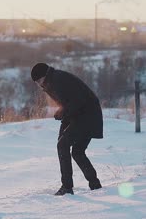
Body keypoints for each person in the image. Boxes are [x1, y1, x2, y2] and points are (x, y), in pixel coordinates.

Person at [31, 63, 103, 196]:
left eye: (40, 81)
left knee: (63, 145)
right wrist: (62, 114)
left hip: (87, 116)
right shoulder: (54, 80)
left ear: (45, 76)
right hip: (84, 115)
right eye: (37, 83)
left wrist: (62, 113)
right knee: (77, 151)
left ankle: (67, 187)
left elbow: (77, 102)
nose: (40, 85)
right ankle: (95, 184)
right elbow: (68, 103)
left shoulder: (57, 81)